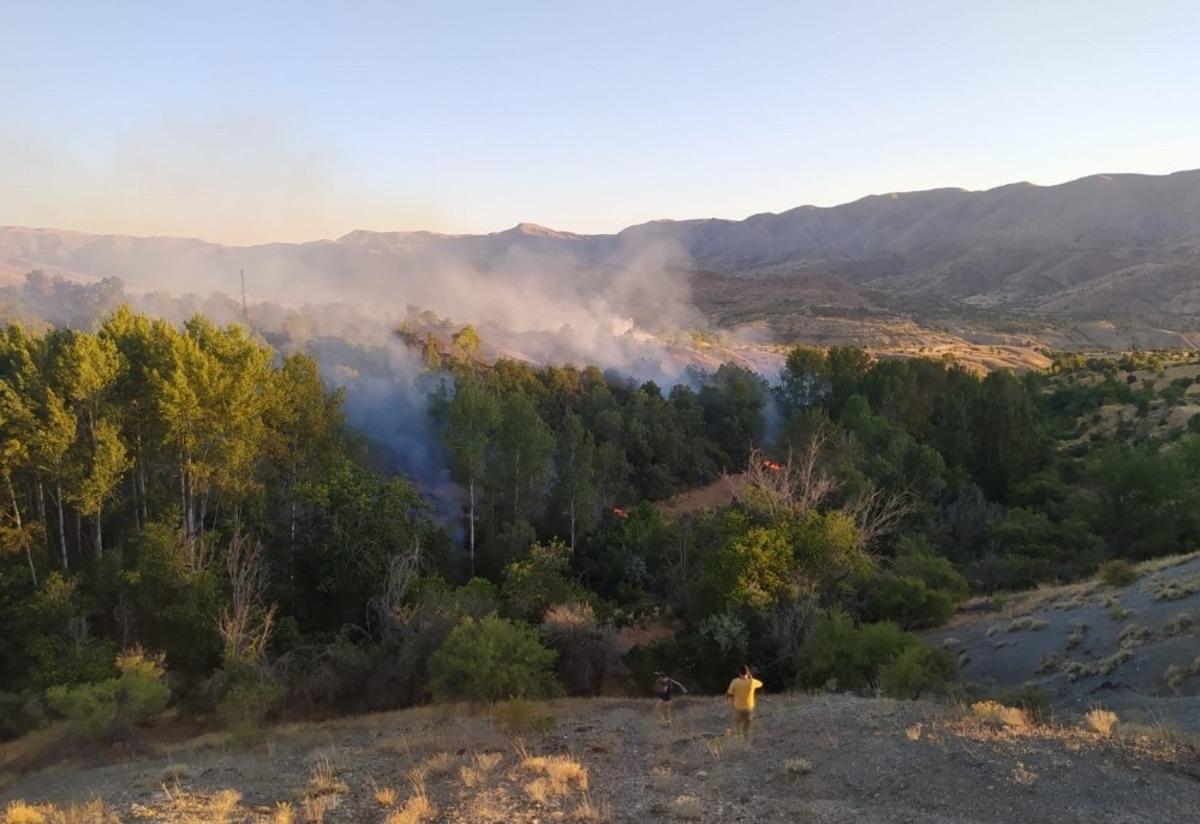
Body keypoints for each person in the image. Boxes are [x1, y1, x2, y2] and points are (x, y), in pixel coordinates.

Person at [725, 664, 763, 739]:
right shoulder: (752, 682)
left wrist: (728, 699)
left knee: (737, 725)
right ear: (747, 672)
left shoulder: (735, 682)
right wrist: (750, 677)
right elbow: (760, 684)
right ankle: (746, 739)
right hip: (749, 709)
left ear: (739, 673)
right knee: (746, 727)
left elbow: (729, 693)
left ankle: (739, 738)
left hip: (738, 708)